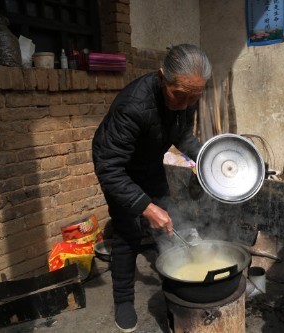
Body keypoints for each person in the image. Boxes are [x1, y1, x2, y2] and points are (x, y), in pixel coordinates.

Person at [92, 44, 212, 332]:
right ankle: (123, 300)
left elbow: (181, 133)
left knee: (168, 219)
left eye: (194, 97)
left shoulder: (187, 95)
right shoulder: (133, 105)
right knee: (128, 231)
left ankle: (178, 284)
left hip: (149, 163)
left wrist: (206, 158)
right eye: (180, 95)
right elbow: (108, 167)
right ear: (162, 78)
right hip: (118, 168)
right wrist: (145, 207)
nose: (186, 104)